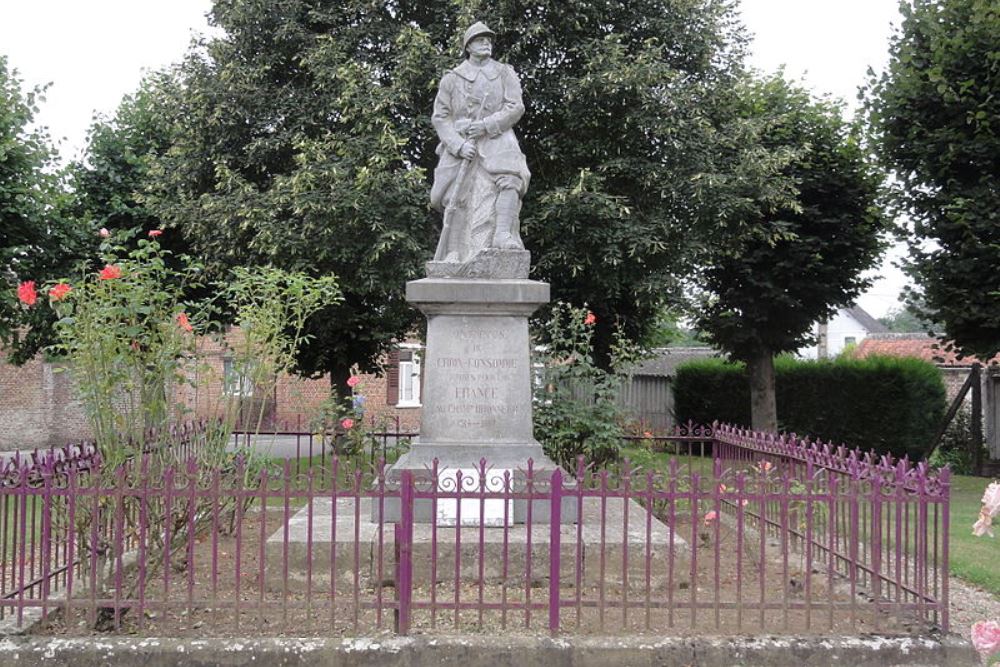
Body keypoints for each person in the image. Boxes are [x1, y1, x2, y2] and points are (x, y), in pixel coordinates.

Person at [430, 22, 531, 265]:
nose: (486, 43)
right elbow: (441, 117)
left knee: (512, 178)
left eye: (489, 40)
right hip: (462, 141)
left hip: (497, 136)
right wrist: (457, 145)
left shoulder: (504, 72)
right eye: (479, 39)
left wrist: (487, 125)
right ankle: (454, 250)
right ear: (468, 46)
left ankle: (502, 235)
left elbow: (515, 106)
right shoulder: (452, 79)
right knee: (453, 195)